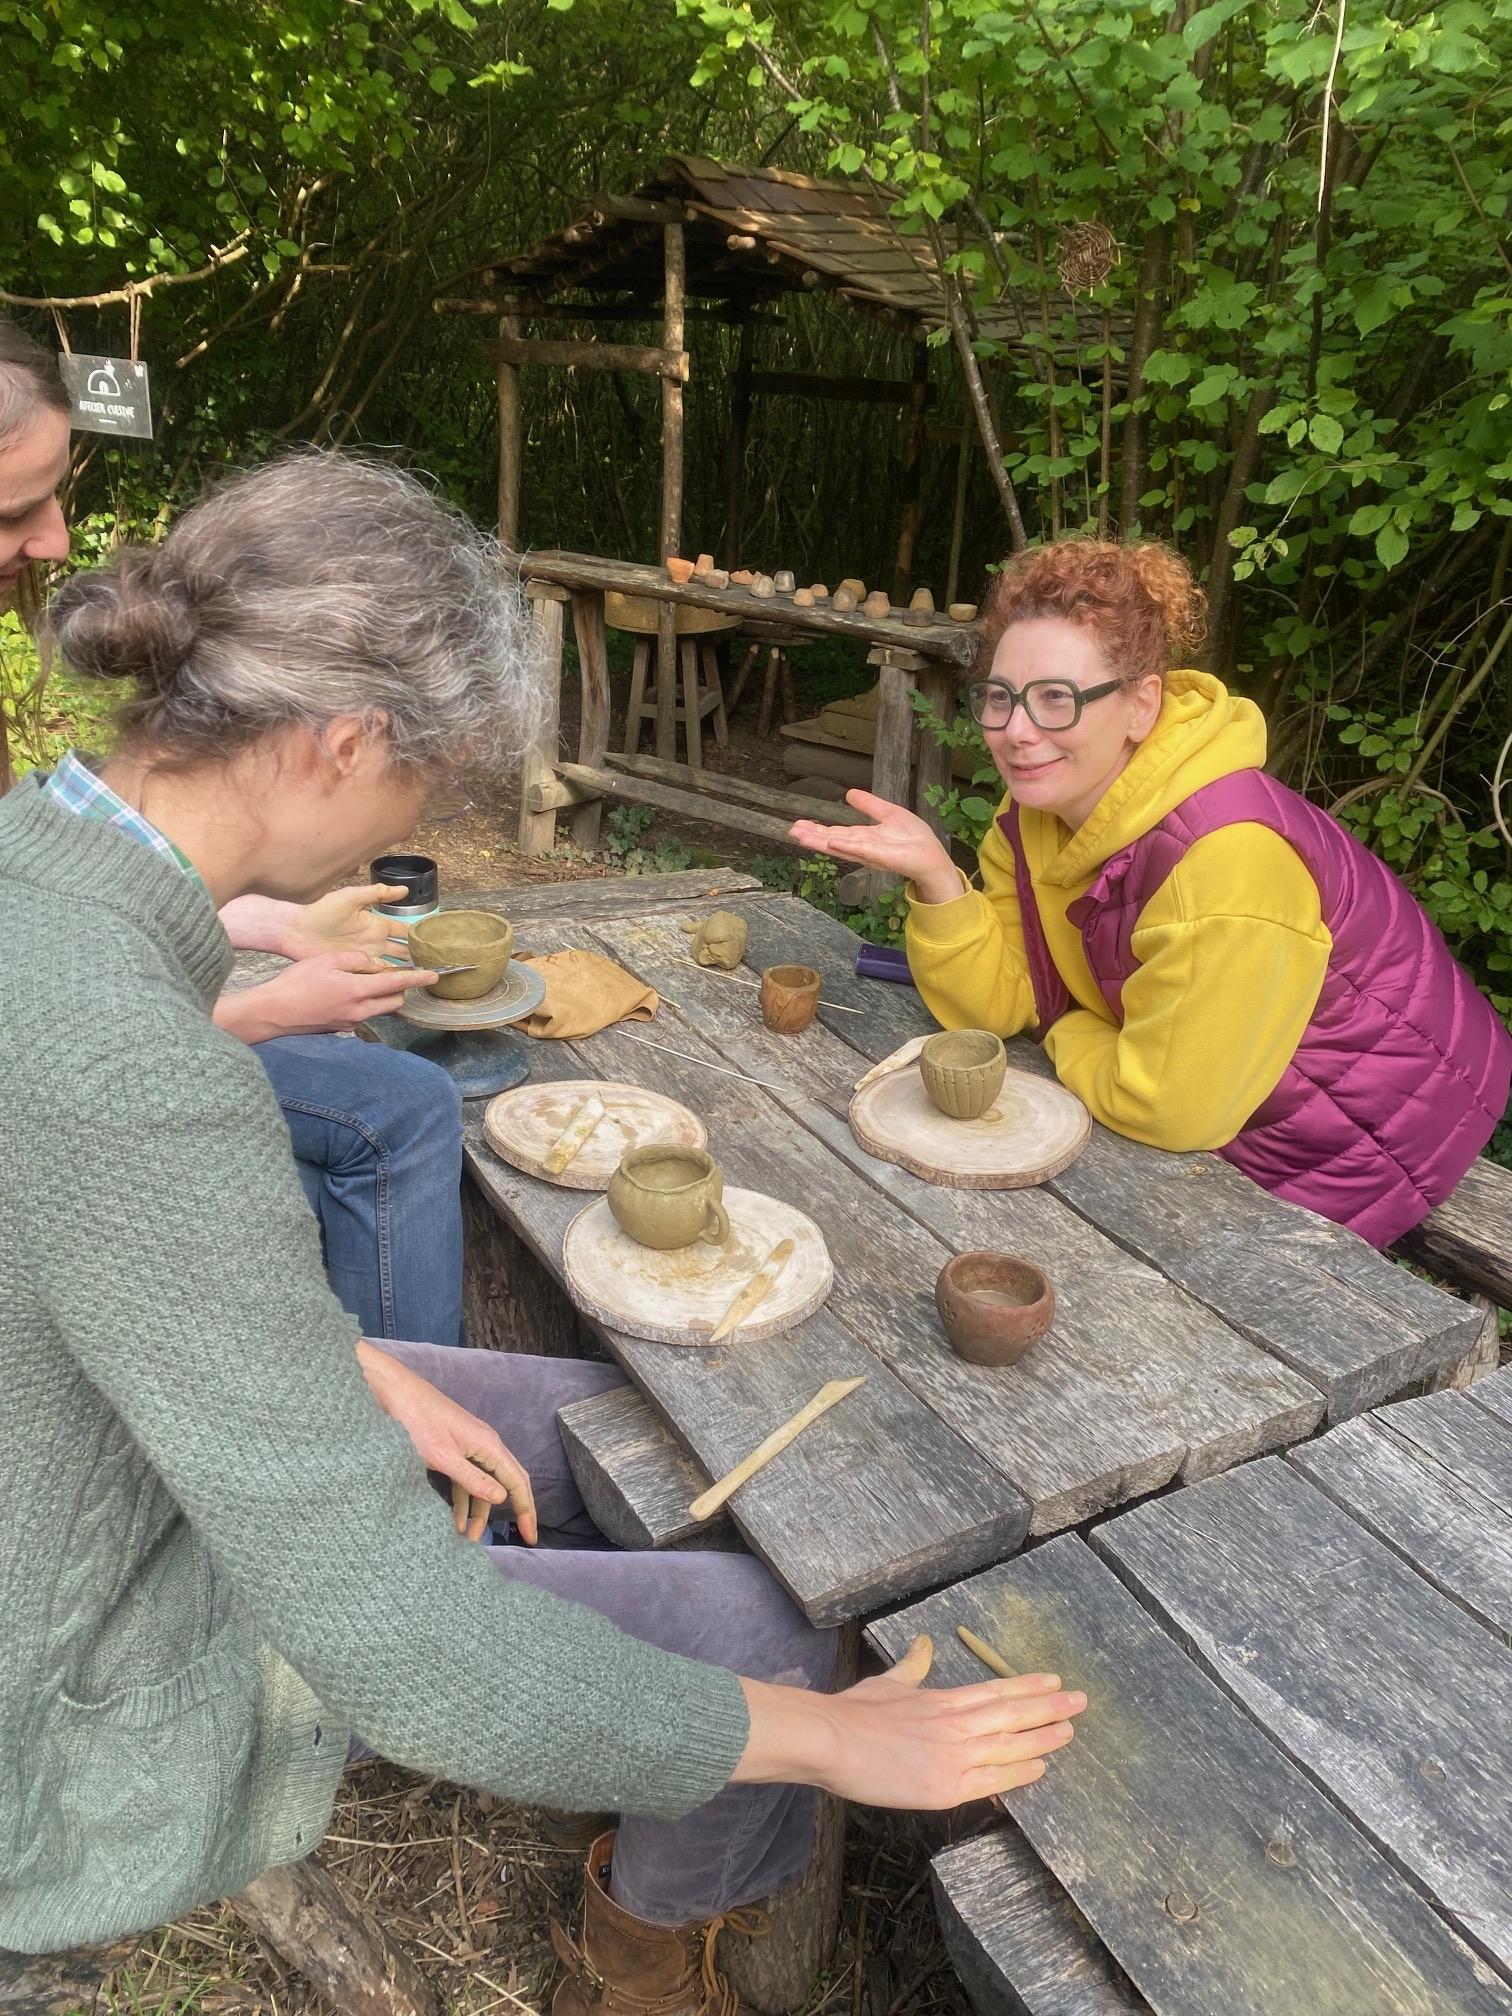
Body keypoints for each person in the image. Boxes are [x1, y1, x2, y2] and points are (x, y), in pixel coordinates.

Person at [0, 452, 1084, 2002]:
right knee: (758, 1629)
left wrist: (336, 1367)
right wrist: (838, 1741)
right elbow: (406, 1648)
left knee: (586, 1421)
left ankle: (622, 1756)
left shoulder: (37, 882)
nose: (414, 825)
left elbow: (74, 1241)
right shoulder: (144, 1073)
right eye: (421, 786)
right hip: (67, 1677)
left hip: (92, 1484)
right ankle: (646, 1952)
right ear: (345, 740)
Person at [792, 539, 1511, 1248]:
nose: (1015, 732)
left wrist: (1067, 1027)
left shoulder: (1228, 861)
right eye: (999, 698)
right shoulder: (1030, 821)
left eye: (1056, 699)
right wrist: (940, 882)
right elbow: (1001, 1006)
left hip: (1367, 1134)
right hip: (1226, 1101)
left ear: (1141, 706)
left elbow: (1168, 1109)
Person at [0, 318, 462, 1345]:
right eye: (19, 507)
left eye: (56, 495)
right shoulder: (125, 1045)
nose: (57, 543)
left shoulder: (77, 839)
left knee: (398, 1101)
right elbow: (53, 1062)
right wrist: (248, 1021)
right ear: (345, 743)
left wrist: (267, 929)